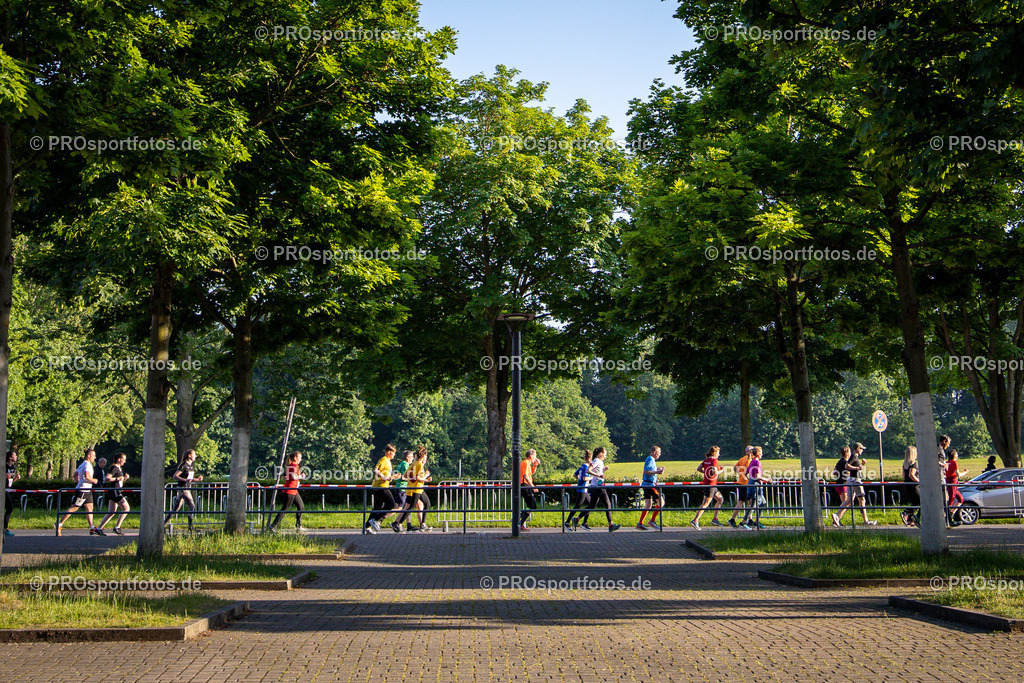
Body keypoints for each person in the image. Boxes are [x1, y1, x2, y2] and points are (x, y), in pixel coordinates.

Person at [55, 448, 100, 536]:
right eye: (93, 456)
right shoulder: (87, 465)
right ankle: (59, 524)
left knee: (90, 507)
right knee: (74, 507)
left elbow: (75, 475)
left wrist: (79, 482)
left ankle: (92, 528)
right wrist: (94, 480)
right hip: (83, 490)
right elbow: (87, 476)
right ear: (88, 456)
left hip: (87, 490)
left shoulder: (82, 464)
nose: (95, 457)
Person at [833, 444, 877, 526]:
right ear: (857, 449)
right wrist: (857, 468)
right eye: (861, 449)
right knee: (862, 499)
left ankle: (837, 515)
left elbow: (854, 468)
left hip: (850, 480)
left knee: (849, 500)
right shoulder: (853, 456)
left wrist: (862, 464)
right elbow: (847, 466)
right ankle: (866, 521)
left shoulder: (853, 457)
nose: (862, 451)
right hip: (855, 480)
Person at [163, 449, 203, 531]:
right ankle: (190, 527)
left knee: (176, 508)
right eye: (194, 454)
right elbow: (175, 476)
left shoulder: (191, 466)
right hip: (183, 488)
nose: (195, 456)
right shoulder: (183, 465)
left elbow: (190, 479)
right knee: (192, 506)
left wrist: (197, 479)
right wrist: (185, 480)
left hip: (187, 488)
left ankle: (163, 524)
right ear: (189, 455)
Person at [395, 447, 433, 531]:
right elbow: (418, 478)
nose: (426, 457)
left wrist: (412, 478)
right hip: (417, 488)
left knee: (426, 504)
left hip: (416, 488)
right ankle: (399, 523)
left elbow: (406, 475)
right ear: (423, 456)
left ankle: (422, 524)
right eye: (426, 455)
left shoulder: (414, 463)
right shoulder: (419, 464)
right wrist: (426, 479)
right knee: (411, 507)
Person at [583, 447, 620, 532]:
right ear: (601, 453)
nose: (605, 456)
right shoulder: (596, 460)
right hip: (598, 486)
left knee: (592, 506)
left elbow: (598, 472)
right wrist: (599, 475)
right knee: (608, 504)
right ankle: (611, 525)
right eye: (604, 454)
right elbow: (589, 471)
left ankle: (577, 519)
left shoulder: (600, 461)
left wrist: (604, 470)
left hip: (597, 485)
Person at [365, 444, 399, 534]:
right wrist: (384, 477)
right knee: (392, 504)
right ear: (389, 452)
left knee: (377, 507)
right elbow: (375, 470)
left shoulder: (388, 462)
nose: (394, 455)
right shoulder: (384, 459)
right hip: (381, 486)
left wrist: (391, 477)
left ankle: (366, 527)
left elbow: (386, 475)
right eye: (394, 453)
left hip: (381, 485)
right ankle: (376, 520)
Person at [270, 451, 306, 532]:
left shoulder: (293, 466)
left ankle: (299, 526)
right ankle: (273, 526)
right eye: (299, 458)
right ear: (295, 458)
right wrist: (302, 476)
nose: (301, 460)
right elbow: (294, 477)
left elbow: (286, 476)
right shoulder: (293, 465)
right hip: (290, 490)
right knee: (285, 509)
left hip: (294, 490)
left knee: (301, 506)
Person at [96, 452, 131, 535]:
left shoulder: (119, 468)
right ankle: (117, 527)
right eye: (123, 459)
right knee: (126, 508)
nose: (125, 461)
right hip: (115, 491)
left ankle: (99, 528)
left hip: (115, 490)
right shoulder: (114, 468)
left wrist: (124, 479)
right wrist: (117, 478)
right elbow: (107, 478)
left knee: (111, 512)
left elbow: (119, 481)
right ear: (119, 460)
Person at [691, 446, 724, 530]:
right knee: (705, 504)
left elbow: (698, 469)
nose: (719, 455)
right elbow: (715, 472)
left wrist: (706, 472)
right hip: (711, 484)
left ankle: (715, 519)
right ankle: (695, 520)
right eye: (718, 453)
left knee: (720, 499)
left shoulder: (706, 460)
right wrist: (721, 470)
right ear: (715, 453)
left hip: (709, 483)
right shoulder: (714, 461)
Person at [637, 446, 665, 530]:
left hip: (646, 484)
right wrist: (657, 472)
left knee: (648, 505)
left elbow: (650, 470)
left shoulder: (651, 460)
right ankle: (652, 521)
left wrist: (657, 469)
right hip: (650, 485)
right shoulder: (650, 459)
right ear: (654, 452)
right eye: (659, 453)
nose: (660, 454)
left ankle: (640, 523)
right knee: (661, 502)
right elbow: (646, 471)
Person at [739, 447, 767, 529]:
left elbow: (746, 473)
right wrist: (767, 480)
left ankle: (756, 521)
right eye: (761, 453)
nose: (762, 454)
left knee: (763, 503)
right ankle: (743, 522)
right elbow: (757, 476)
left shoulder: (752, 462)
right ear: (758, 454)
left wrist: (750, 479)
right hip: (756, 485)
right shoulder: (757, 462)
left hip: (751, 484)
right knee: (754, 504)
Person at [565, 450, 592, 531]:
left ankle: (584, 523)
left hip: (584, 489)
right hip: (582, 489)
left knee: (590, 505)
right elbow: (585, 478)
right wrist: (592, 478)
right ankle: (567, 522)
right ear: (589, 459)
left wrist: (579, 479)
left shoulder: (582, 466)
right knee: (577, 506)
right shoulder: (586, 467)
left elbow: (574, 475)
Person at [389, 450, 416, 532]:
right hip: (402, 488)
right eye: (412, 457)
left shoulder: (401, 464)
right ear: (407, 457)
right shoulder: (405, 465)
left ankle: (408, 525)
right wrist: (413, 479)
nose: (413, 458)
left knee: (407, 506)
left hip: (402, 488)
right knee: (399, 508)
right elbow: (403, 477)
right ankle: (380, 518)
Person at [728, 446, 754, 528]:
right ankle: (732, 519)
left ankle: (750, 519)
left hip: (740, 482)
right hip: (746, 483)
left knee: (748, 501)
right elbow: (749, 471)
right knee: (743, 502)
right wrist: (746, 476)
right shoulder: (749, 459)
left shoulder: (742, 459)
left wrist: (740, 474)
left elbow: (735, 468)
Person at [517, 449, 540, 531]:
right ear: (531, 456)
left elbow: (531, 473)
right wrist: (533, 487)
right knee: (532, 505)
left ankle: (519, 520)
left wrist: (535, 465)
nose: (535, 458)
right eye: (535, 456)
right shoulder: (526, 463)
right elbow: (526, 476)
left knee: (531, 505)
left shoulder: (527, 463)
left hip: (525, 485)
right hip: (524, 485)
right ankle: (519, 520)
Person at [945, 448, 968, 527]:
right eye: (956, 454)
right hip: (952, 483)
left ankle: (952, 513)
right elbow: (958, 474)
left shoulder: (947, 462)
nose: (957, 455)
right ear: (954, 455)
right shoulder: (954, 462)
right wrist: (965, 472)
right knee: (951, 500)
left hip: (952, 483)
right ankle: (949, 519)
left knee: (960, 499)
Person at [830, 446, 851, 527]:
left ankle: (837, 520)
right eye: (849, 452)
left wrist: (840, 473)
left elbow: (834, 472)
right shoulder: (846, 462)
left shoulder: (840, 461)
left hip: (838, 484)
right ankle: (837, 517)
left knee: (846, 503)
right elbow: (848, 472)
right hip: (843, 484)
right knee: (846, 503)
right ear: (847, 453)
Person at [900, 446, 920, 527]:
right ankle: (906, 512)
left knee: (914, 502)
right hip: (913, 485)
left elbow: (904, 475)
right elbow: (911, 475)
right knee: (919, 501)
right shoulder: (913, 463)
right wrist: (919, 481)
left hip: (906, 485)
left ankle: (910, 520)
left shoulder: (905, 464)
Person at [4, 450, 17, 538]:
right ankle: (5, 529)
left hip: (7, 489)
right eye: (14, 455)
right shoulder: (4, 466)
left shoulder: (13, 467)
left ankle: (5, 528)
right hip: (3, 490)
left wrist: (15, 479)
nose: (16, 457)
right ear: (10, 457)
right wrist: (5, 477)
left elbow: (10, 483)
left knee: (9, 509)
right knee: (9, 508)